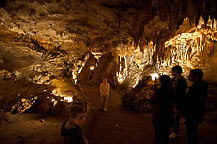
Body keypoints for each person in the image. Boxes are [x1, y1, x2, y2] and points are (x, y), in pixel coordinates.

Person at [184, 69, 208, 144]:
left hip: (193, 113)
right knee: (192, 131)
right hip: (194, 113)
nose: (188, 77)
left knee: (191, 132)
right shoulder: (199, 85)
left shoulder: (198, 87)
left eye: (190, 75)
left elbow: (195, 101)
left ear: (196, 76)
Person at [150, 75, 175, 144]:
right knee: (165, 136)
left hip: (159, 116)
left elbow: (152, 101)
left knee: (158, 136)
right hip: (168, 116)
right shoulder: (172, 92)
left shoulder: (159, 92)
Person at [169, 65, 187, 139]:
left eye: (172, 71)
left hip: (178, 101)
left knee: (176, 117)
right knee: (172, 117)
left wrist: (179, 104)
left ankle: (175, 132)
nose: (171, 72)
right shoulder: (173, 80)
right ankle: (172, 130)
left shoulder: (182, 81)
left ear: (176, 71)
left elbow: (181, 94)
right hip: (172, 100)